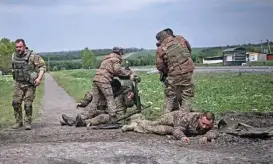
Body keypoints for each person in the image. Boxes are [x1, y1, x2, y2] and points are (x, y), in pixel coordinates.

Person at [61, 78, 135, 127]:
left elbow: (129, 104)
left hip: (117, 117)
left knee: (101, 117)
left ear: (115, 88)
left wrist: (129, 98)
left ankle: (83, 123)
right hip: (107, 112)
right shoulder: (110, 93)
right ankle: (73, 120)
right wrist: (83, 102)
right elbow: (93, 93)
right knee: (94, 112)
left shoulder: (124, 93)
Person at [86, 47, 135, 121]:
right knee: (110, 98)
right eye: (122, 54)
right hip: (104, 80)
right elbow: (118, 71)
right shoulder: (115, 60)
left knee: (94, 101)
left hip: (96, 79)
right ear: (120, 53)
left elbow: (109, 70)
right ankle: (113, 118)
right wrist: (129, 73)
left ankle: (85, 117)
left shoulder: (107, 59)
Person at [155, 30, 195, 113]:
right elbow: (189, 50)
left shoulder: (160, 48)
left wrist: (167, 70)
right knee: (187, 94)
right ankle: (185, 115)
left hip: (173, 74)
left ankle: (167, 116)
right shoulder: (180, 38)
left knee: (170, 95)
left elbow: (159, 65)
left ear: (159, 40)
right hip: (188, 71)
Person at [121, 111, 218, 144]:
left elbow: (214, 132)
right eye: (203, 123)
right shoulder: (188, 118)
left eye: (207, 125)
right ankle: (137, 120)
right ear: (200, 117)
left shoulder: (211, 123)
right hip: (173, 118)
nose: (205, 126)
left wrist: (207, 136)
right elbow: (177, 130)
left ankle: (136, 127)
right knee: (154, 123)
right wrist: (182, 137)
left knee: (160, 130)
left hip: (176, 127)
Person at [11, 39, 46, 130]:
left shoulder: (32, 56)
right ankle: (18, 122)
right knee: (15, 102)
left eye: (20, 47)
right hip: (18, 83)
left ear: (24, 46)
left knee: (27, 104)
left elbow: (42, 67)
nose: (18, 49)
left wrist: (38, 78)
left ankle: (27, 122)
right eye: (17, 47)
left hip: (30, 84)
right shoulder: (14, 56)